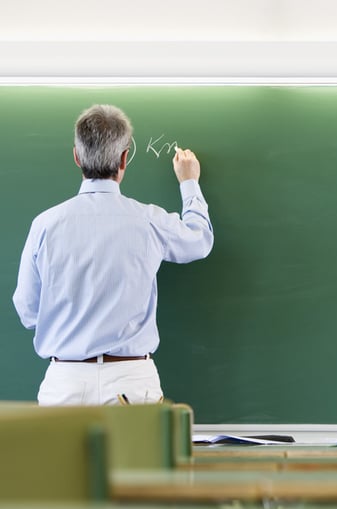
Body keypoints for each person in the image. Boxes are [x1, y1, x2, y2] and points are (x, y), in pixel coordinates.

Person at [12, 104, 213, 406]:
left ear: (77, 156)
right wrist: (189, 182)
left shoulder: (45, 225)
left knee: (60, 456)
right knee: (139, 456)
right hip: (132, 381)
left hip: (65, 382)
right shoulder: (148, 220)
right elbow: (199, 240)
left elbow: (28, 311)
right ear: (124, 158)